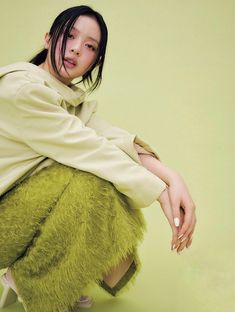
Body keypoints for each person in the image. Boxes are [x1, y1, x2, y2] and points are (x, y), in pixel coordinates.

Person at [0, 5, 196, 312]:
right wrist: (160, 194)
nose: (77, 49)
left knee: (99, 172)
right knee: (90, 178)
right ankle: (35, 281)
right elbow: (90, 148)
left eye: (90, 46)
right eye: (70, 36)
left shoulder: (64, 95)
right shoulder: (24, 90)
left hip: (13, 214)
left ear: (96, 60)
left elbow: (112, 139)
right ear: (49, 38)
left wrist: (172, 178)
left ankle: (61, 277)